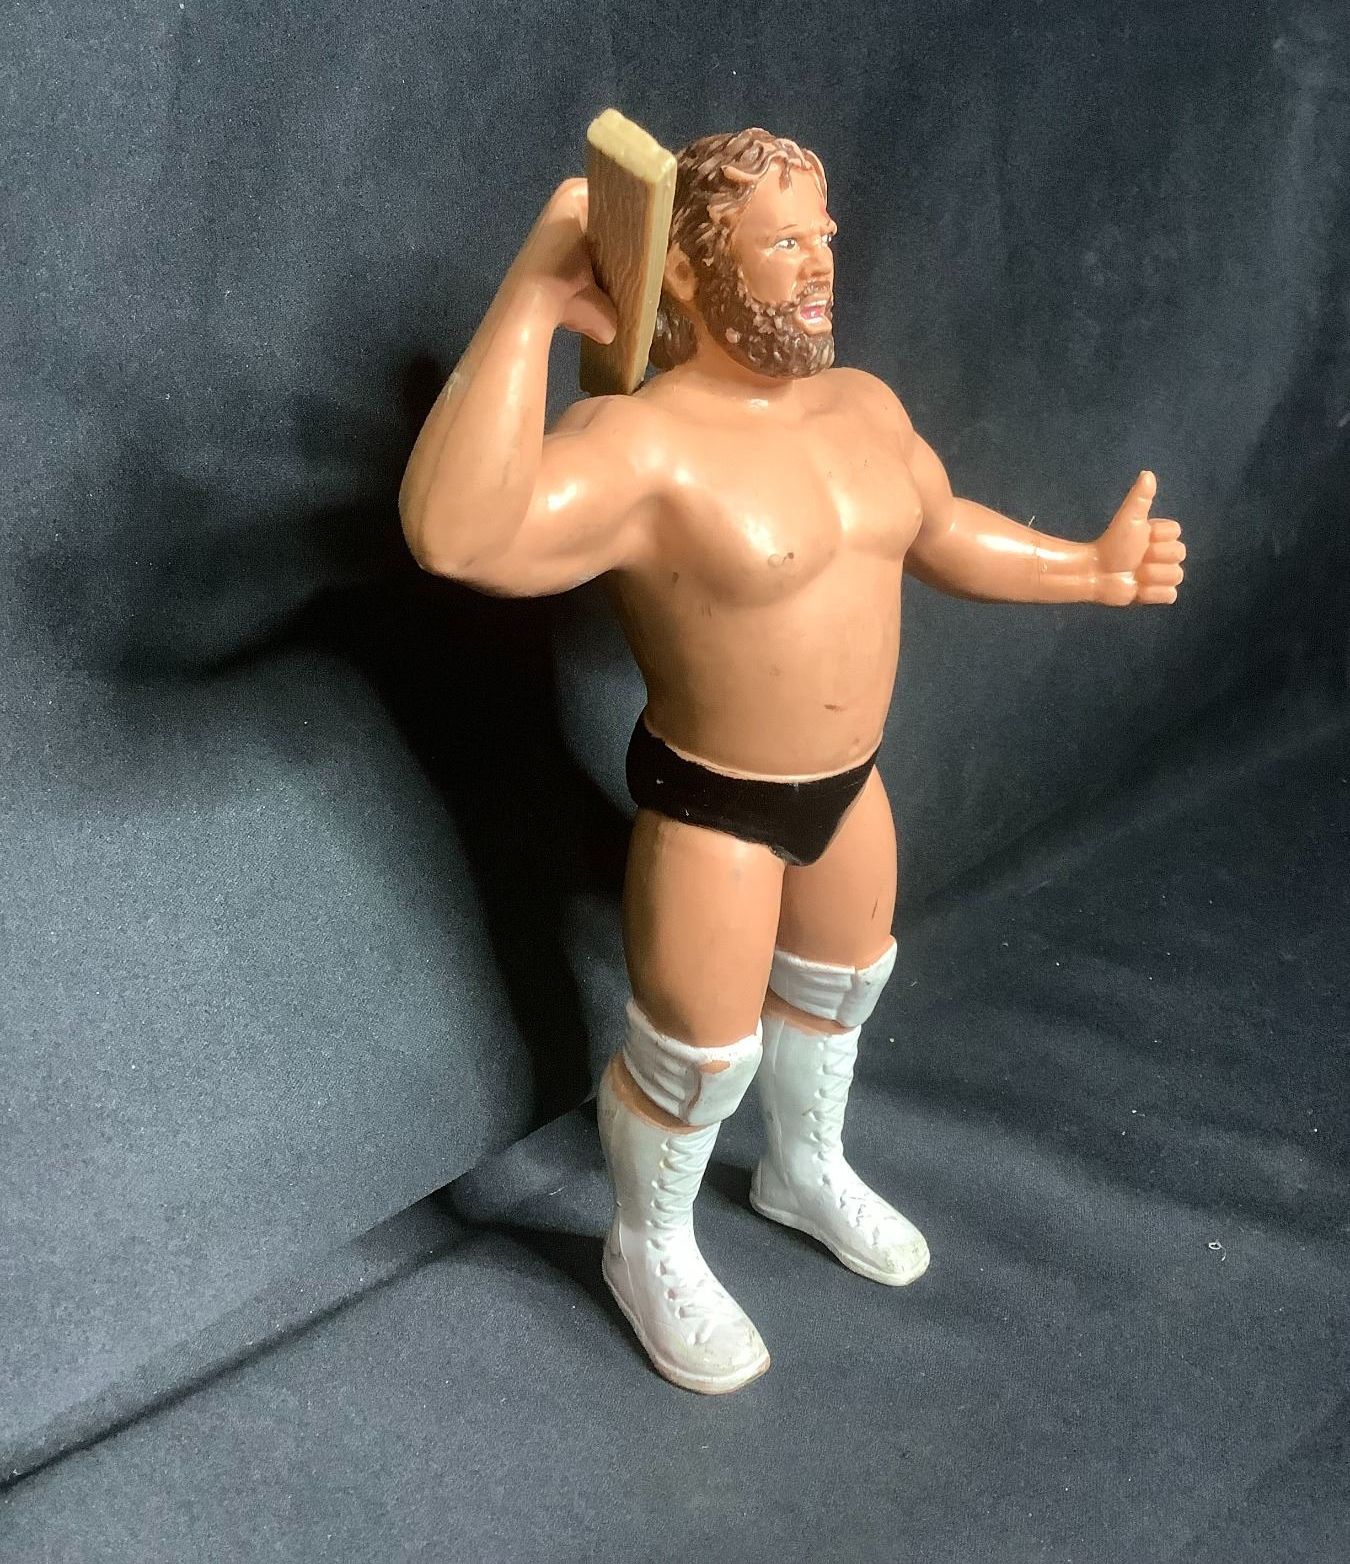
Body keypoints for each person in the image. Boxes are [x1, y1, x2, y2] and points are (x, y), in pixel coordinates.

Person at [399, 128, 1186, 1394]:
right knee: (698, 1056)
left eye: (825, 234)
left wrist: (1086, 570)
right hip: (717, 809)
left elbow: (942, 528)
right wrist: (533, 302)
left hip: (848, 789)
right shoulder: (642, 444)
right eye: (785, 242)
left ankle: (803, 1168)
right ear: (692, 271)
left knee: (841, 984)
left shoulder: (864, 405)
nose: (822, 262)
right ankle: (649, 1245)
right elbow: (458, 536)